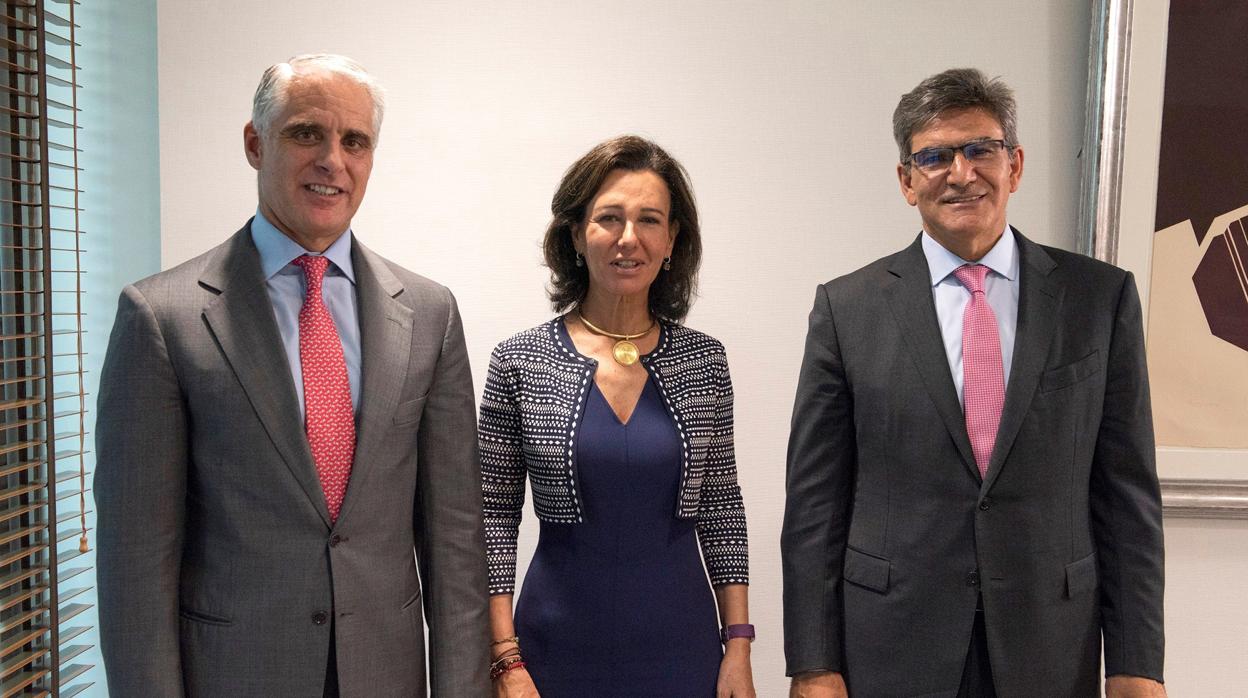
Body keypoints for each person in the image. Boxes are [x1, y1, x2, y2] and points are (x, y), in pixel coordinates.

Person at [94, 54, 490, 696]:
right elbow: (135, 563)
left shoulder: (429, 313)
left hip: (385, 675)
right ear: (255, 143)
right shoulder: (161, 318)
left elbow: (455, 547)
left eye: (354, 141)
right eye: (307, 132)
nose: (333, 159)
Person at [781, 68, 1166, 698]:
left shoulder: (1100, 299)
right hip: (892, 642)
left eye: (979, 149)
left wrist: (1137, 663)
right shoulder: (846, 310)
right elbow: (815, 506)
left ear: (1014, 165)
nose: (961, 173)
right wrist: (813, 664)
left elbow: (1127, 498)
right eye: (934, 156)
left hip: (1050, 642)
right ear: (907, 181)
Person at [479, 135, 756, 697]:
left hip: (681, 649)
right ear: (577, 234)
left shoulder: (704, 360)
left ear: (672, 239)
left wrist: (740, 648)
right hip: (552, 651)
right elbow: (492, 518)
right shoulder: (519, 360)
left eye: (650, 220)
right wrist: (505, 659)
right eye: (610, 218)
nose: (630, 239)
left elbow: (722, 506)